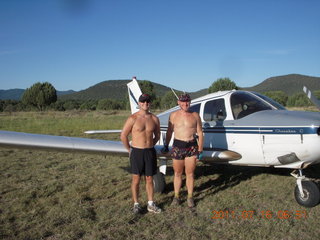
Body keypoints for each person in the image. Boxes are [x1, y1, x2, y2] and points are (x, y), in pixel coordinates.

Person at [121, 93, 162, 214]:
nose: (145, 104)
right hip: (136, 152)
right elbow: (123, 135)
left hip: (149, 151)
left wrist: (150, 145)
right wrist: (129, 149)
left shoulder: (154, 118)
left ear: (150, 103)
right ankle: (136, 204)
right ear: (139, 103)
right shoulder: (133, 118)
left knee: (149, 178)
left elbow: (157, 135)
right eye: (143, 102)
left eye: (147, 102)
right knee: (136, 179)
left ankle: (150, 203)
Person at [162, 93, 203, 208]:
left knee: (190, 174)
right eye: (183, 101)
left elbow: (200, 132)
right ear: (179, 102)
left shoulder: (195, 115)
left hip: (191, 147)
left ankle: (190, 197)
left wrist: (200, 150)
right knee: (177, 173)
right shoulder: (173, 115)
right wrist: (166, 145)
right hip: (178, 147)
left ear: (190, 102)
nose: (186, 104)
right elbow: (169, 132)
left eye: (188, 101)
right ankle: (176, 196)